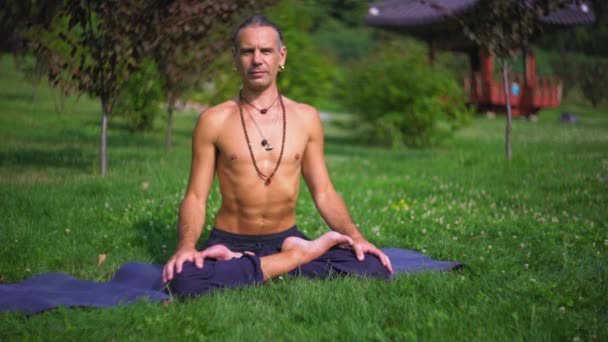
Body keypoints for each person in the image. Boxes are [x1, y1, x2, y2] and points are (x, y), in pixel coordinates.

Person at [162, 15, 392, 297]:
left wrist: (357, 238)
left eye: (266, 51)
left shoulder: (306, 117)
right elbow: (196, 197)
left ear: (281, 56)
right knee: (184, 280)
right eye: (247, 51)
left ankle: (249, 268)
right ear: (235, 58)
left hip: (286, 237)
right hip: (230, 241)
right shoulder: (213, 120)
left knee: (371, 266)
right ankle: (296, 259)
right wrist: (186, 247)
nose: (257, 59)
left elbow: (324, 192)